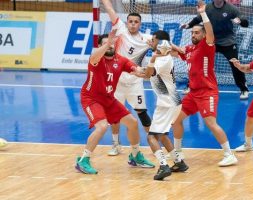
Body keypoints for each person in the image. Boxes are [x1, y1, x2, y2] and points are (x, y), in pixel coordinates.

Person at [75, 30, 155, 174]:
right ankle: (84, 160)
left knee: (133, 122)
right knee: (102, 126)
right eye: (105, 44)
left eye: (111, 44)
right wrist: (107, 44)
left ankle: (136, 156)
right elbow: (95, 55)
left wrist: (152, 66)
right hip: (91, 99)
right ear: (100, 46)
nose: (109, 46)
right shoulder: (96, 59)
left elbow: (138, 71)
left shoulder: (120, 60)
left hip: (108, 99)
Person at [172, 1, 238, 167]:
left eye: (196, 33)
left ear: (203, 35)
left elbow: (209, 31)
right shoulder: (190, 50)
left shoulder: (207, 46)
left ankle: (229, 154)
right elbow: (176, 51)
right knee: (176, 121)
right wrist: (161, 44)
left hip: (207, 92)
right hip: (193, 93)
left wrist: (202, 13)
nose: (193, 35)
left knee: (210, 123)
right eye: (192, 33)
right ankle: (177, 153)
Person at [102, 0, 152, 156]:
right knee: (114, 115)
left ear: (140, 24)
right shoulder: (121, 30)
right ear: (127, 22)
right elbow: (109, 8)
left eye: (136, 22)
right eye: (130, 21)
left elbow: (165, 47)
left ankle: (154, 143)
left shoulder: (146, 39)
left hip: (134, 82)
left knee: (142, 113)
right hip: (116, 83)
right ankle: (116, 144)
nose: (132, 24)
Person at [142, 30, 189, 180]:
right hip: (173, 101)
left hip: (167, 102)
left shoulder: (161, 60)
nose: (152, 42)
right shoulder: (165, 57)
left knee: (152, 137)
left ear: (161, 43)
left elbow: (148, 74)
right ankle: (179, 162)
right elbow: (147, 73)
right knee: (161, 135)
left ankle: (163, 166)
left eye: (154, 40)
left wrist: (153, 57)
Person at [181, 0, 249, 100]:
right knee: (197, 63)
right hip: (210, 40)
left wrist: (240, 21)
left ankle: (244, 89)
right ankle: (190, 85)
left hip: (228, 41)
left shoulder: (231, 8)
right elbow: (197, 19)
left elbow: (245, 22)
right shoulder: (207, 8)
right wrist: (188, 25)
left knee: (235, 65)